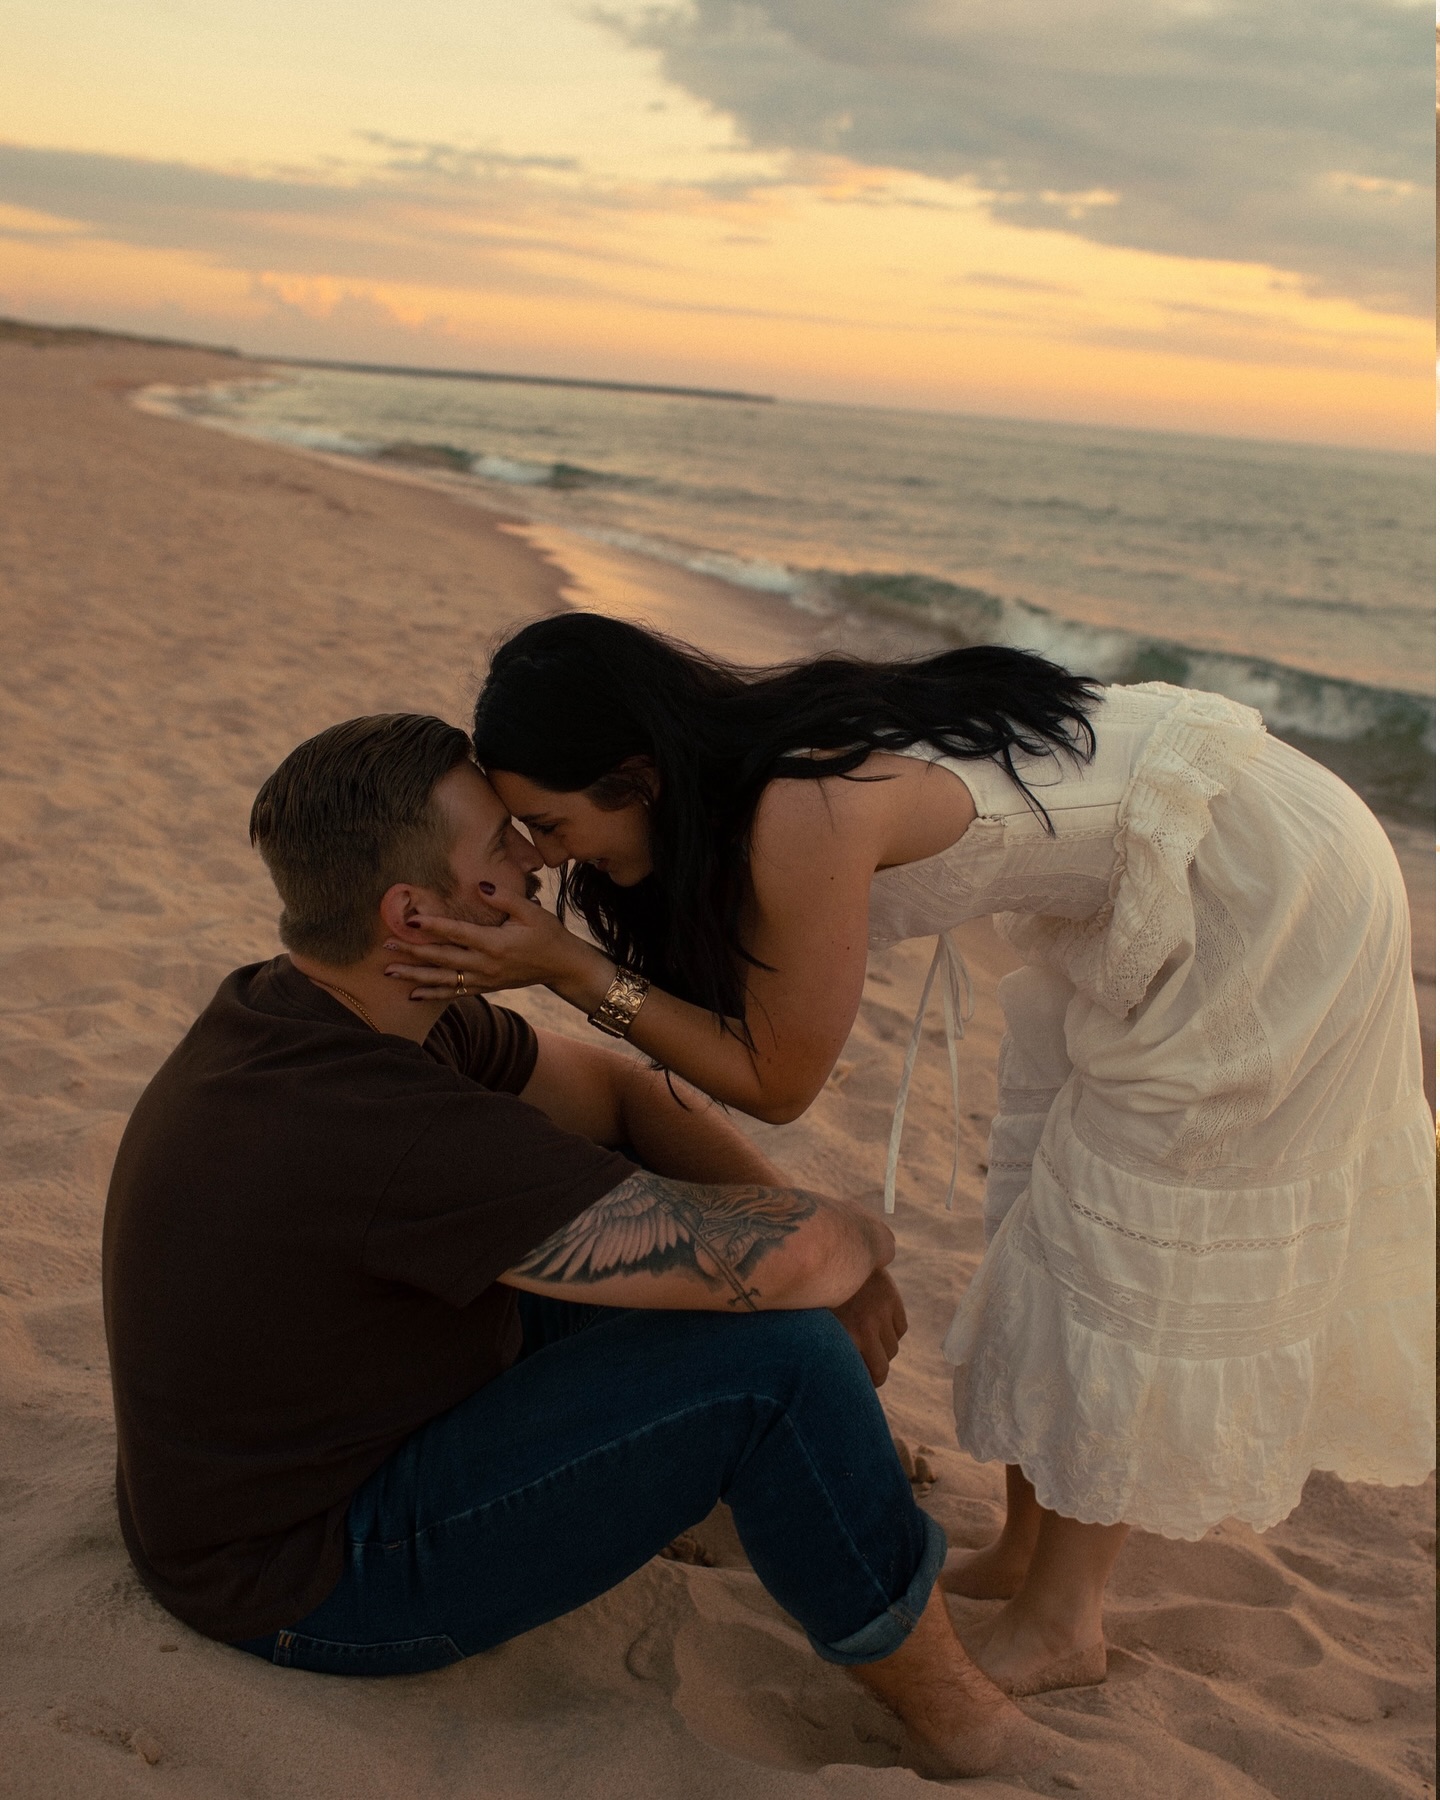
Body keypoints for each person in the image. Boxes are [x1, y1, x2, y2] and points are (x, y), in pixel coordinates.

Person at [383, 613, 1437, 1699]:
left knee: (1125, 1242)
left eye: (549, 823)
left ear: (637, 777)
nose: (545, 854)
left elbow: (779, 1082)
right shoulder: (744, 774)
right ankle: (1022, 1557)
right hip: (1169, 866)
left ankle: (1064, 1620)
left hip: (1257, 885)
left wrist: (568, 967)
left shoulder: (799, 808)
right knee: (1040, 1205)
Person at [102, 711, 1049, 1781]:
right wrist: (860, 1244)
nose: (533, 856)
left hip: (318, 1448)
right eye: (498, 844)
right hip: (311, 1578)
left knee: (714, 1265)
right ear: (412, 912)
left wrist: (797, 1235)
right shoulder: (377, 1123)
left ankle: (782, 1493)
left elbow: (616, 1091)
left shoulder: (336, 1008)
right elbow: (786, 1264)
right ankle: (960, 1719)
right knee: (779, 1361)